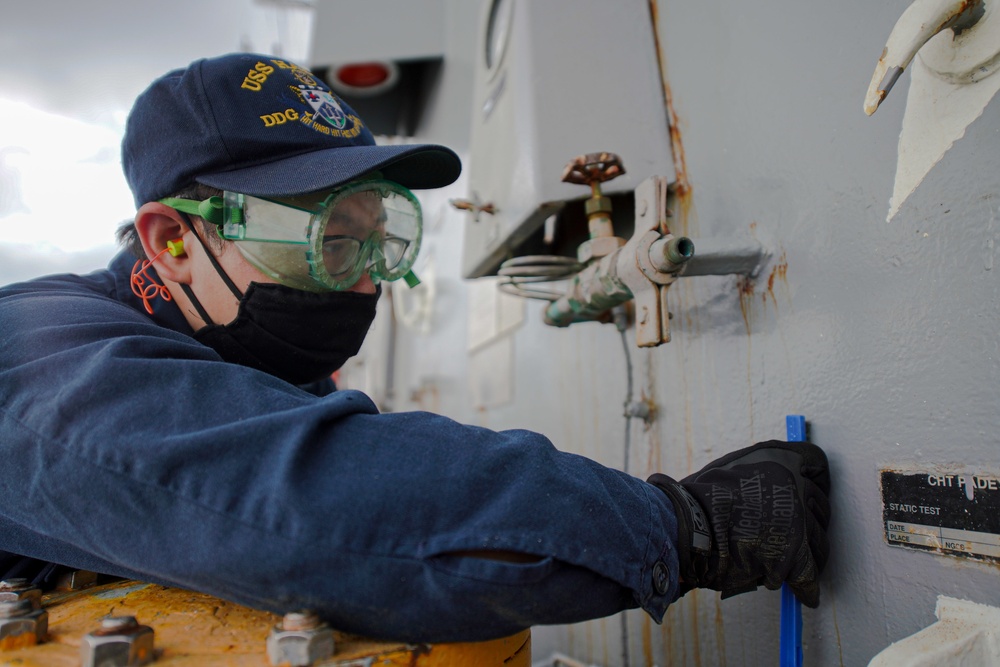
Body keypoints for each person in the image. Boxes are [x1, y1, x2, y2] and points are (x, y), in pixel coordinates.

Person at [0, 53, 831, 644]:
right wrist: (685, 527)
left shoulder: (232, 349)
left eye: (379, 240)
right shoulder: (31, 354)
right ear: (174, 242)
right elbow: (307, 500)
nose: (367, 283)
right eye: (330, 242)